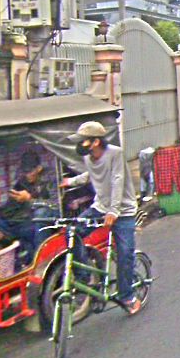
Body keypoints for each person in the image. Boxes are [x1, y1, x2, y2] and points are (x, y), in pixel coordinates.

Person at [61, 121, 142, 316]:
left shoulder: (115, 154)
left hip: (123, 211)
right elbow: (91, 175)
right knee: (72, 232)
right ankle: (85, 277)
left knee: (124, 254)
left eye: (82, 141)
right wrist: (70, 181)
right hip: (100, 207)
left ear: (96, 142)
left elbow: (117, 180)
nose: (79, 145)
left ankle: (127, 296)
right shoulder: (89, 158)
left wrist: (114, 211)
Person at [0, 150, 52, 262]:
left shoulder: (49, 180)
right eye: (25, 171)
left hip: (44, 222)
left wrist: (29, 200)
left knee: (38, 217)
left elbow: (53, 205)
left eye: (30, 171)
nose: (27, 175)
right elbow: (10, 209)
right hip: (22, 221)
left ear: (39, 168)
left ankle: (40, 260)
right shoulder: (22, 183)